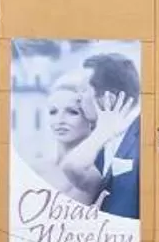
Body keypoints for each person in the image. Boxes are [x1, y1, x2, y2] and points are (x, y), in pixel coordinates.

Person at [82, 49, 141, 220]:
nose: (79, 98)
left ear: (109, 98)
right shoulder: (93, 137)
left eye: (84, 90)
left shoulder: (146, 138)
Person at [42, 75, 110, 207]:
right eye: (53, 112)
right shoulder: (36, 167)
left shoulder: (91, 175)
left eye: (72, 112)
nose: (60, 120)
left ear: (90, 118)